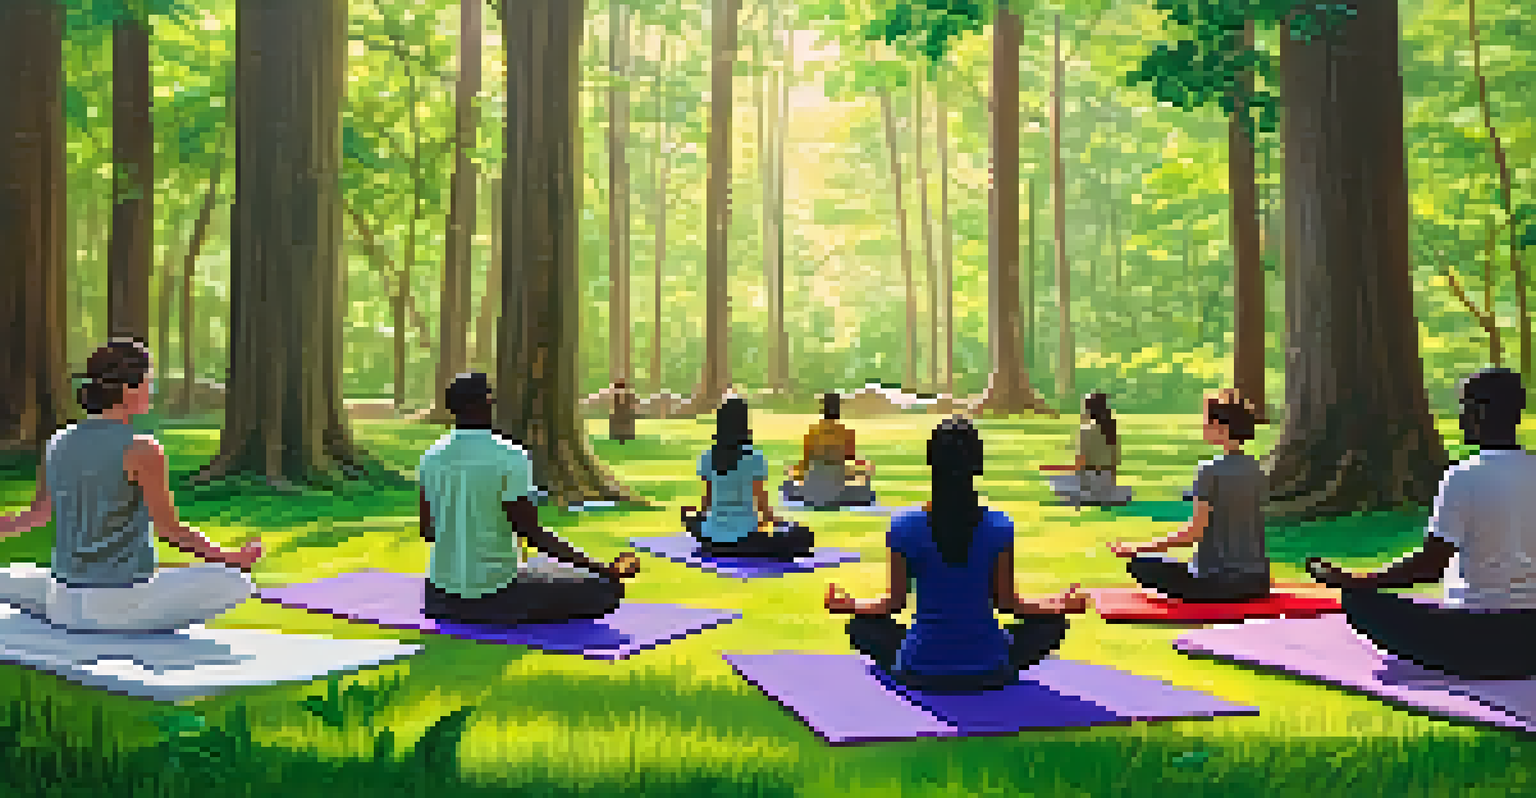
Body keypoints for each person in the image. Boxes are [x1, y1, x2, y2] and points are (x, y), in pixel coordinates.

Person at [0, 339, 262, 633]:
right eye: (148, 382)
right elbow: (170, 531)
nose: (151, 390)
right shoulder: (142, 449)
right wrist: (230, 558)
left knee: (15, 576)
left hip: (63, 602)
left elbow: (36, 516)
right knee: (236, 583)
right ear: (127, 390)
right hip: (118, 605)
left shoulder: (58, 442)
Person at [826, 416, 1087, 692]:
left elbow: (894, 603)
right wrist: (1058, 605)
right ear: (978, 465)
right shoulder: (999, 525)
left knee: (861, 627)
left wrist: (851, 605)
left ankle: (927, 655)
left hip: (920, 668)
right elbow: (1008, 603)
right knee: (1052, 625)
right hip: (988, 667)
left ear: (931, 463)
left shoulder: (904, 525)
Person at [1307, 368, 1536, 679]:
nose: (1460, 416)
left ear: (1480, 412)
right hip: (1530, 635)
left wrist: (1357, 581)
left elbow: (1430, 566)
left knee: (1359, 603)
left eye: (1464, 406)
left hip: (1476, 637)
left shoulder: (1463, 476)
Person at [419, 373, 640, 625]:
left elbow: (428, 531)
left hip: (439, 595)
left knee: (544, 569)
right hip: (496, 593)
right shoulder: (509, 455)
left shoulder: (431, 456)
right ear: (487, 403)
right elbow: (533, 535)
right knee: (604, 589)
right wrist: (601, 568)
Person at [1108, 388, 1270, 602]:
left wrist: (1136, 547)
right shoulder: (1257, 469)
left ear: (1221, 427)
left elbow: (1193, 533)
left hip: (1217, 582)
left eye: (1206, 421)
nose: (1202, 426)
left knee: (1139, 564)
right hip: (1257, 581)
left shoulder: (1209, 470)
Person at [681, 396, 814, 560]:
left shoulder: (707, 456)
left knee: (692, 520)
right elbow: (763, 511)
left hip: (711, 538)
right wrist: (784, 523)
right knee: (803, 535)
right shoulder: (754, 457)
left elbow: (706, 504)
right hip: (743, 539)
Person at [781, 392, 876, 508]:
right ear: (838, 411)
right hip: (837, 492)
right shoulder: (846, 434)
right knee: (866, 490)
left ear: (824, 410)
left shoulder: (813, 433)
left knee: (789, 482)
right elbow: (854, 462)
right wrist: (864, 471)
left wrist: (792, 473)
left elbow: (806, 464)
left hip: (812, 492)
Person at [1040, 392, 1134, 507]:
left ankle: (1086, 497)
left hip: (1091, 481)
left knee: (1055, 480)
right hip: (1107, 481)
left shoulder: (1086, 430)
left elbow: (1080, 464)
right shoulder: (1111, 431)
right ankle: (1106, 496)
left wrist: (1069, 473)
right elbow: (1115, 463)